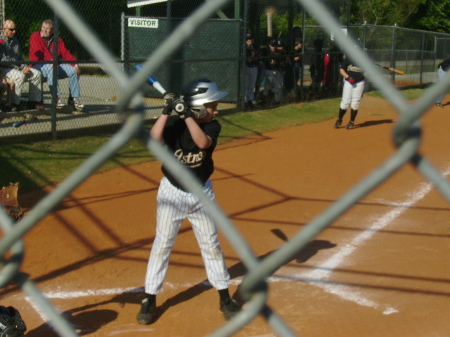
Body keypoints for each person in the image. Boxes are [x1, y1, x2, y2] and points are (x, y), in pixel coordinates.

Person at [136, 79, 240, 325]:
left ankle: (224, 297)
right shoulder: (173, 124)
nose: (216, 110)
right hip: (171, 193)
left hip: (201, 194)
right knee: (163, 244)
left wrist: (187, 116)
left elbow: (202, 143)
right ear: (199, 108)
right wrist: (167, 111)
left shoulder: (212, 126)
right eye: (211, 105)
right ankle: (149, 298)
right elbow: (153, 139)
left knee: (211, 245)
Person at [29, 20, 84, 111]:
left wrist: (75, 64)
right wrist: (51, 61)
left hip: (54, 65)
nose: (44, 30)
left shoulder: (57, 39)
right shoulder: (35, 36)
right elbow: (36, 56)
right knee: (52, 68)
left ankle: (74, 98)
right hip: (38, 66)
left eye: (47, 29)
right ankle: (56, 98)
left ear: (52, 31)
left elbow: (65, 53)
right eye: (43, 28)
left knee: (74, 71)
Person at [0, 20, 43, 112]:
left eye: (15, 29)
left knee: (37, 74)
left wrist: (24, 66)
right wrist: (19, 68)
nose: (14, 32)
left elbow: (20, 57)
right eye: (11, 29)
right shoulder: (1, 40)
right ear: (4, 29)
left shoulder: (15, 40)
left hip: (16, 67)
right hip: (4, 68)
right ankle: (15, 103)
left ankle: (33, 102)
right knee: (19, 75)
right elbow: (3, 60)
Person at [334, 44, 366, 129]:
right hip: (348, 83)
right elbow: (341, 69)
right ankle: (339, 119)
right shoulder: (348, 60)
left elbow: (366, 74)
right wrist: (348, 77)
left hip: (359, 83)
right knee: (345, 102)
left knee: (355, 103)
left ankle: (351, 121)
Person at [259, 38, 284, 106]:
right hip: (268, 71)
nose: (274, 47)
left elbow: (281, 62)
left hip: (276, 71)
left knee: (267, 86)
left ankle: (266, 100)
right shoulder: (265, 51)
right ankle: (270, 96)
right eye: (272, 45)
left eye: (275, 45)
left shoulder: (278, 52)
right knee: (278, 86)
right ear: (269, 45)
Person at [244, 33, 259, 110]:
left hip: (253, 67)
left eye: (250, 39)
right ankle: (245, 101)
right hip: (246, 67)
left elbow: (256, 56)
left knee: (251, 85)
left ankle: (250, 100)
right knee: (245, 85)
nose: (249, 40)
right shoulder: (243, 47)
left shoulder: (255, 47)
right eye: (247, 39)